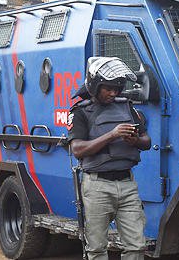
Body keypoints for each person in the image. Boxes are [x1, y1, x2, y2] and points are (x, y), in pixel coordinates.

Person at [68, 57, 151, 260]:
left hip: (127, 184)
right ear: (95, 85)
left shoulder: (126, 106)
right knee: (96, 248)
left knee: (137, 246)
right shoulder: (81, 112)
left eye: (117, 88)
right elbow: (77, 149)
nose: (113, 93)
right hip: (97, 186)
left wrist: (135, 141)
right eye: (108, 88)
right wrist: (112, 135)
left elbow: (146, 141)